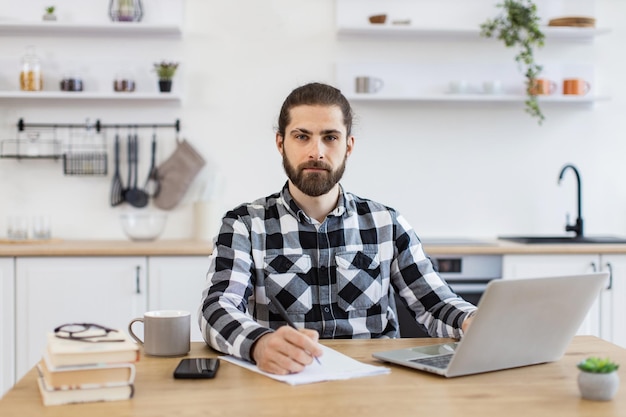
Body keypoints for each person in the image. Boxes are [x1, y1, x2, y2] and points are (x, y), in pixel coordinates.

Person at [199, 82, 476, 375]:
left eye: (330, 137)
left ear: (348, 145)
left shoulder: (387, 223)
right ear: (281, 143)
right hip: (284, 382)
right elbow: (216, 308)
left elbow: (436, 303)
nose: (316, 152)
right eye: (302, 136)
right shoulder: (244, 225)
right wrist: (260, 344)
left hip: (375, 386)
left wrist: (473, 321)